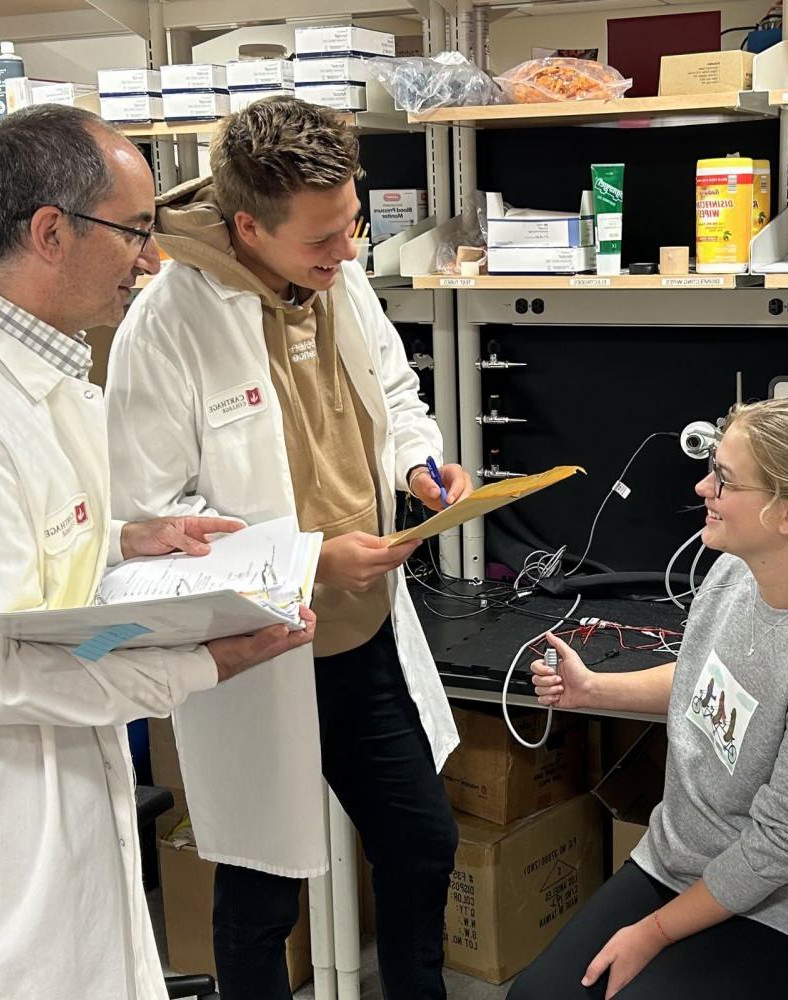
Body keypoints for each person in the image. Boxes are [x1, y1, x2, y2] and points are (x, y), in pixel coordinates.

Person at [0, 105, 315, 1000]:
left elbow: (21, 550)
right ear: (51, 232)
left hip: (54, 806)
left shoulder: (40, 365)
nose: (150, 257)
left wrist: (122, 536)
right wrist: (201, 665)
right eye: (135, 231)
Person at [105, 97, 469, 999]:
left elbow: (393, 387)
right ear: (245, 227)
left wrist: (420, 466)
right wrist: (309, 561)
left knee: (422, 844)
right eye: (323, 239)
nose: (347, 254)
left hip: (367, 631)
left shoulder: (338, 276)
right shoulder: (168, 326)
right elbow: (155, 519)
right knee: (261, 890)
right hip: (262, 650)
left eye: (351, 225)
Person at [511, 398, 788, 1000]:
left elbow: (783, 844)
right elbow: (704, 682)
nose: (703, 487)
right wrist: (593, 689)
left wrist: (652, 933)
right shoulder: (733, 575)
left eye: (724, 479)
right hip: (681, 862)